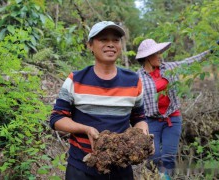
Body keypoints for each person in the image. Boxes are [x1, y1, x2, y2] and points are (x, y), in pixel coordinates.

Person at [50, 21, 149, 180]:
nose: (110, 44)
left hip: (121, 167)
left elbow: (139, 118)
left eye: (115, 40)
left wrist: (142, 133)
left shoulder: (133, 81)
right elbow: (56, 119)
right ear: (90, 45)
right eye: (103, 39)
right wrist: (85, 129)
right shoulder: (75, 79)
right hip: (82, 168)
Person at [135, 39, 211, 177]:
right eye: (156, 53)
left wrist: (211, 50)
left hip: (172, 118)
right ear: (147, 57)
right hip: (151, 121)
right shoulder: (137, 77)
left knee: (168, 158)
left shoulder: (169, 68)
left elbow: (190, 62)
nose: (160, 56)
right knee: (154, 156)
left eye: (159, 52)